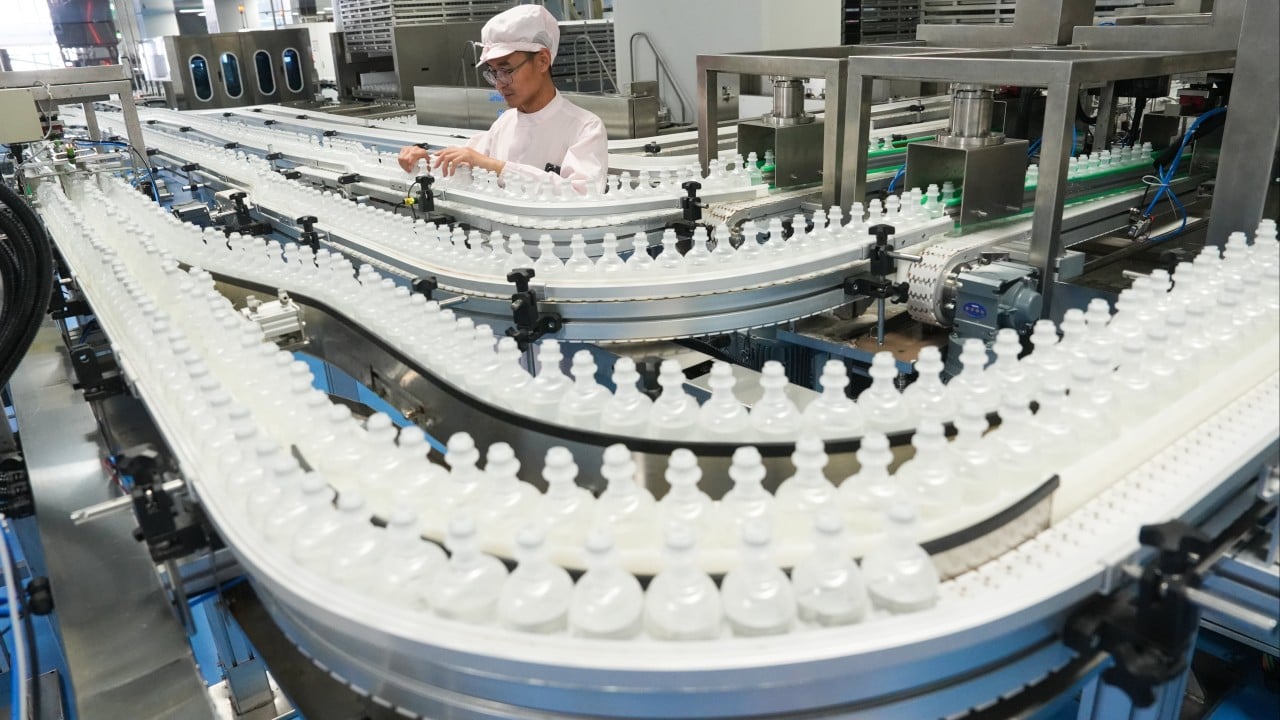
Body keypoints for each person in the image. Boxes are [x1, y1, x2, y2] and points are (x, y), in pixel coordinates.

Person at [396, 5, 608, 194]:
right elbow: (465, 163)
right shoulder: (505, 123)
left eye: (506, 70)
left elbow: (583, 194)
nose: (499, 84)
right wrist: (424, 160)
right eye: (493, 73)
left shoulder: (585, 128)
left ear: (542, 61)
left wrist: (496, 167)